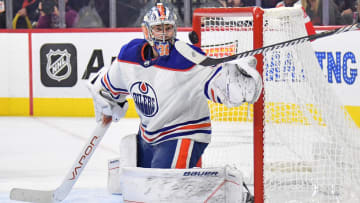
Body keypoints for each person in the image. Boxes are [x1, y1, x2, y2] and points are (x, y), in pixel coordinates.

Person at [88, 3, 262, 169]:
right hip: (148, 135)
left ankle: (230, 191)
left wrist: (240, 80)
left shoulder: (188, 58)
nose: (164, 34)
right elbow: (106, 87)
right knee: (131, 183)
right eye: (158, 29)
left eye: (168, 28)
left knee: (162, 187)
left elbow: (221, 84)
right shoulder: (130, 55)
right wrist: (107, 104)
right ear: (146, 31)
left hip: (183, 134)